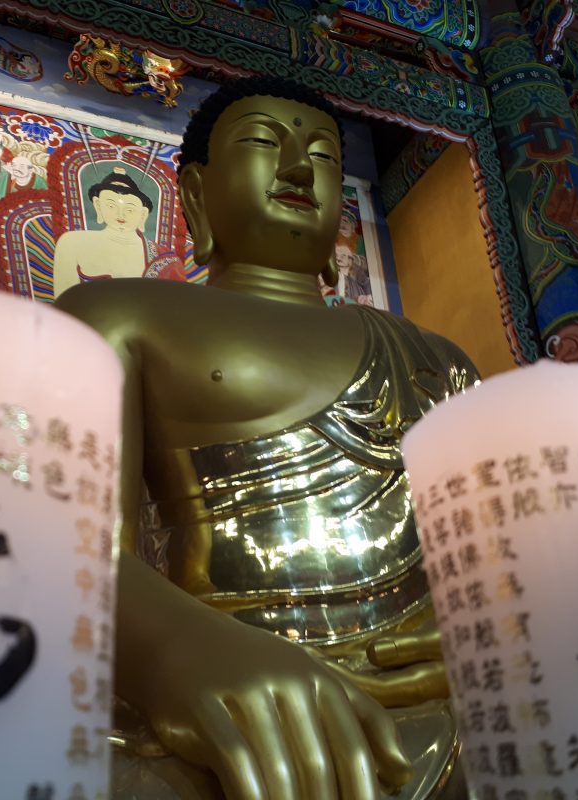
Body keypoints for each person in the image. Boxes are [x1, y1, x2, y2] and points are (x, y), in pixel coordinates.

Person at [57, 77, 478, 800]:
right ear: (195, 193)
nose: (295, 169)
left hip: (435, 695)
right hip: (211, 690)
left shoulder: (435, 356)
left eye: (321, 157)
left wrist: (506, 630)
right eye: (262, 142)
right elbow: (60, 542)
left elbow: (505, 554)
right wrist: (174, 653)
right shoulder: (116, 313)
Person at [52, 167, 184, 297]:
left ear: (143, 214)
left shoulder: (166, 259)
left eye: (129, 209)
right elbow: (63, 301)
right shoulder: (72, 242)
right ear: (98, 206)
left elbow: (175, 303)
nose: (120, 215)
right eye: (111, 206)